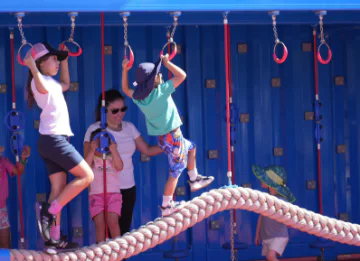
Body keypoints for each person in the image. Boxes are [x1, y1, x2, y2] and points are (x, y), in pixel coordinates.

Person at [121, 54, 214, 217]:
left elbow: (125, 89)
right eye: (159, 74)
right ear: (155, 80)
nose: (162, 75)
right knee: (175, 172)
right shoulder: (162, 91)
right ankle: (166, 205)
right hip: (174, 138)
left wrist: (124, 70)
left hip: (164, 139)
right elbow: (182, 76)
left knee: (191, 147)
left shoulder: (140, 99)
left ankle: (194, 178)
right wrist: (167, 62)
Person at [24, 42, 94, 254]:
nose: (56, 62)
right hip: (54, 141)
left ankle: (53, 240)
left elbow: (65, 83)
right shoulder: (39, 82)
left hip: (52, 141)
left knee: (58, 189)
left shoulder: (51, 82)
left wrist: (65, 61)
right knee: (87, 176)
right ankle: (49, 211)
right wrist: (31, 67)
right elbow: (41, 85)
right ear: (41, 63)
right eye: (53, 59)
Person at [84, 89, 163, 237]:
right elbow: (87, 165)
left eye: (123, 109)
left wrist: (168, 146)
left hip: (127, 188)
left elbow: (147, 150)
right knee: (104, 233)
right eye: (115, 111)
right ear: (104, 111)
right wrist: (91, 192)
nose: (120, 113)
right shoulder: (94, 130)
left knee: (122, 232)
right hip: (103, 189)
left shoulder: (129, 127)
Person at [85, 128, 123, 243]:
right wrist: (91, 151)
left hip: (113, 195)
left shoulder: (112, 158)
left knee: (113, 222)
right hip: (96, 196)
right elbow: (85, 168)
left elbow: (120, 167)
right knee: (99, 225)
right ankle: (101, 252)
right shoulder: (92, 160)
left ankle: (118, 251)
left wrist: (114, 150)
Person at [253, 164, 296, 261]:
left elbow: (289, 216)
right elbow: (261, 217)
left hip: (279, 236)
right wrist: (257, 234)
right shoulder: (265, 199)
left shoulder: (282, 201)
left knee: (271, 256)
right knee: (268, 258)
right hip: (266, 236)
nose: (261, 179)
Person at [0, 145, 31, 248]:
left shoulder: (3, 162)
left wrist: (23, 159)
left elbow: (18, 171)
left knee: (5, 245)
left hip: (1, 210)